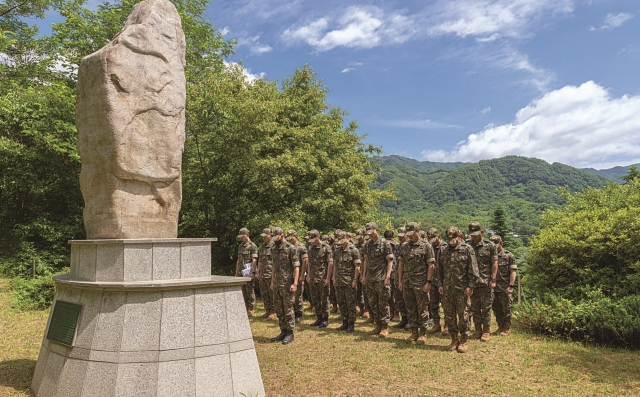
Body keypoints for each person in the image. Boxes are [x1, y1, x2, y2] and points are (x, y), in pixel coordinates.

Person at [435, 226, 479, 353]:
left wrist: (471, 286)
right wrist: (440, 285)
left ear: (459, 236)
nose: (451, 241)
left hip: (462, 289)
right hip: (448, 290)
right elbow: (439, 270)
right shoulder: (442, 250)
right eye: (449, 239)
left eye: (453, 238)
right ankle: (454, 339)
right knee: (449, 316)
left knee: (464, 315)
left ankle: (464, 340)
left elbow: (473, 270)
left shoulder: (467, 249)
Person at [397, 222, 435, 344]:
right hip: (407, 281)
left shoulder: (426, 246)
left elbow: (431, 265)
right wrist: (400, 280)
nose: (409, 237)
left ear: (418, 231)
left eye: (411, 234)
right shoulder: (405, 246)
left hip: (421, 282)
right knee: (411, 308)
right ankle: (414, 332)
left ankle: (423, 333)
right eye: (408, 235)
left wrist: (428, 282)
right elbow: (401, 263)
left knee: (422, 308)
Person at [361, 222, 394, 338]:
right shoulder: (367, 245)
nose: (370, 235)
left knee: (383, 303)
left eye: (371, 232)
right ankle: (378, 325)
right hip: (370, 278)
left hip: (381, 278)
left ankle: (384, 327)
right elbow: (365, 261)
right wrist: (363, 275)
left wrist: (388, 277)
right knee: (373, 303)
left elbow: (390, 261)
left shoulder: (385, 244)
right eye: (368, 233)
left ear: (377, 230)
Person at [467, 222, 498, 342]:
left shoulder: (490, 246)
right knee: (474, 307)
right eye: (471, 234)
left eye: (475, 234)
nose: (473, 237)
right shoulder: (467, 246)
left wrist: (493, 279)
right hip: (472, 283)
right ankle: (478, 330)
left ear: (482, 232)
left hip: (486, 282)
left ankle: (486, 331)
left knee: (486, 307)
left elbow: (494, 263)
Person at [269, 227, 300, 345]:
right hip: (277, 283)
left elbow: (296, 267)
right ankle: (283, 331)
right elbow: (273, 266)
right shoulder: (273, 248)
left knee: (288, 309)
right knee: (279, 309)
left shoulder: (291, 249)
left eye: (276, 237)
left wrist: (295, 283)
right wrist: (272, 281)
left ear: (282, 235)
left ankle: (290, 333)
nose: (275, 240)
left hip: (287, 283)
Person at [332, 231, 361, 332]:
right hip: (339, 280)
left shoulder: (354, 250)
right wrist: (334, 278)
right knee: (341, 302)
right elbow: (335, 265)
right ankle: (344, 322)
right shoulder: (337, 251)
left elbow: (357, 267)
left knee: (350, 303)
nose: (339, 243)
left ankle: (351, 323)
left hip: (349, 281)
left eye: (341, 240)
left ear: (346, 238)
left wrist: (355, 280)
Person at [490, 235, 517, 336]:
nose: (494, 247)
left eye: (496, 245)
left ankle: (507, 328)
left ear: (501, 243)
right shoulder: (490, 256)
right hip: (493, 287)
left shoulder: (508, 255)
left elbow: (513, 272)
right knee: (496, 309)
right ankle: (500, 326)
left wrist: (511, 286)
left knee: (506, 309)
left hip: (505, 287)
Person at [306, 229, 333, 328]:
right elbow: (309, 262)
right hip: (313, 277)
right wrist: (308, 275)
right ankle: (319, 318)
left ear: (318, 237)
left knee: (324, 299)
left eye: (314, 239)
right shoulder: (310, 248)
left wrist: (327, 278)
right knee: (315, 298)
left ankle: (325, 319)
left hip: (322, 278)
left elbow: (330, 263)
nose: (312, 242)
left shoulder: (326, 248)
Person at [426, 228, 447, 335]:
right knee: (433, 304)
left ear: (438, 236)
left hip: (444, 280)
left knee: (446, 304)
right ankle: (436, 324)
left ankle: (447, 325)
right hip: (433, 280)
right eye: (431, 239)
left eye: (434, 238)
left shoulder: (445, 247)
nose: (433, 241)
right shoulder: (429, 247)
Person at [286, 230, 308, 324]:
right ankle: (293, 312)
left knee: (298, 295)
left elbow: (305, 261)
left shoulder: (301, 247)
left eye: (291, 237)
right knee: (290, 295)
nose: (290, 240)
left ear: (296, 236)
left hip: (298, 274)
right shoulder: (287, 247)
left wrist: (302, 275)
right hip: (289, 274)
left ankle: (299, 313)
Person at [236, 227, 258, 316]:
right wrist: (236, 272)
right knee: (243, 290)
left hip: (248, 273)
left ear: (247, 235)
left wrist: (253, 273)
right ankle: (244, 307)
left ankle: (250, 308)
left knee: (250, 290)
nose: (241, 238)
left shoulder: (252, 246)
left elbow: (254, 260)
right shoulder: (240, 246)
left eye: (242, 236)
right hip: (240, 272)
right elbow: (238, 259)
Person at [393, 227, 410, 330]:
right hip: (397, 274)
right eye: (399, 236)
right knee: (399, 298)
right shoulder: (398, 246)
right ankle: (403, 318)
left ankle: (409, 319)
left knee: (406, 299)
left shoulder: (408, 246)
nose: (400, 238)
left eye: (402, 236)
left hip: (406, 275)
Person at [257, 228, 275, 319]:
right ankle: (267, 310)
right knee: (264, 294)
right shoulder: (262, 247)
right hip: (263, 274)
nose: (263, 238)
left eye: (265, 236)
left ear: (270, 235)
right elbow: (259, 260)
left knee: (272, 294)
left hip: (270, 274)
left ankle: (273, 311)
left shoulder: (274, 246)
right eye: (262, 237)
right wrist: (258, 272)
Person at [354, 229, 371, 320]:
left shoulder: (367, 245)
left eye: (360, 237)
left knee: (366, 292)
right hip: (358, 272)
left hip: (366, 271)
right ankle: (361, 308)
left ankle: (367, 310)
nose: (359, 239)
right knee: (358, 292)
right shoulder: (355, 246)